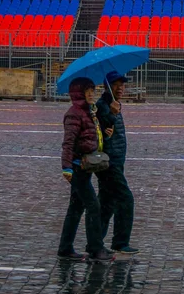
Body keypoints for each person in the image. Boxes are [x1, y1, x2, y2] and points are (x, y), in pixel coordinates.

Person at [58, 77, 113, 262]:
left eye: (93, 90)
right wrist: (66, 167)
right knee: (93, 206)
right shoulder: (74, 114)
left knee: (75, 208)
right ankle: (96, 248)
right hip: (77, 167)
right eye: (88, 90)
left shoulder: (89, 112)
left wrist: (104, 133)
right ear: (78, 93)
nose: (92, 93)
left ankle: (65, 248)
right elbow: (68, 143)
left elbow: (89, 137)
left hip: (84, 166)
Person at [95, 71, 139, 254]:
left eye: (123, 85)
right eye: (117, 85)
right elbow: (103, 130)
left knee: (106, 203)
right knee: (125, 199)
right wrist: (112, 113)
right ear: (107, 86)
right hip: (109, 162)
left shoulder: (113, 104)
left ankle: (95, 241)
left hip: (116, 160)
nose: (121, 88)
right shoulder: (103, 105)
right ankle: (120, 242)